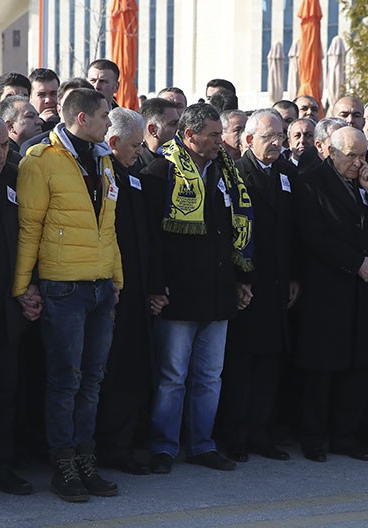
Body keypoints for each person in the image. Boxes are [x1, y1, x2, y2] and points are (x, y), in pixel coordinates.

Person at [13, 88, 122, 502]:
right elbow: (30, 227)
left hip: (99, 287)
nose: (108, 124)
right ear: (81, 119)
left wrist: (117, 279)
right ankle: (63, 463)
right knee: (65, 380)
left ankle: (84, 458)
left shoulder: (104, 160)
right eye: (103, 117)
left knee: (92, 379)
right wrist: (23, 287)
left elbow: (108, 227)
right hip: (63, 287)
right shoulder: (41, 160)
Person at [141, 103, 254, 475]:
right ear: (189, 136)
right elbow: (151, 241)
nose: (220, 141)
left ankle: (203, 444)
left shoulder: (225, 171)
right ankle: (163, 447)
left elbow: (234, 231)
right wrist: (156, 286)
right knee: (172, 377)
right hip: (179, 294)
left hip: (219, 292)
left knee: (209, 376)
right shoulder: (160, 172)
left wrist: (241, 279)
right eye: (213, 135)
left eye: (221, 134)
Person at [294, 127, 368, 463]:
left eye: (363, 155)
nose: (358, 162)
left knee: (355, 366)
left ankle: (346, 435)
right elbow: (314, 237)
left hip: (362, 292)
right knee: (322, 367)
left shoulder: (365, 180)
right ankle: (314, 437)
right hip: (328, 288)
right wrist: (354, 262)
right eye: (351, 155)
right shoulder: (310, 182)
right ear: (330, 152)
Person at [221, 109, 298, 462]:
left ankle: (262, 433)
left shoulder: (286, 173)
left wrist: (295, 275)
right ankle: (236, 436)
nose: (278, 142)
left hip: (279, 282)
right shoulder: (236, 174)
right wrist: (240, 279)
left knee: (269, 362)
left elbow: (294, 230)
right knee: (242, 364)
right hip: (248, 284)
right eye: (270, 137)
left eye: (280, 136)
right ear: (248, 140)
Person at [95, 107, 152, 475]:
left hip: (137, 290)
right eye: (135, 145)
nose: (140, 151)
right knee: (110, 375)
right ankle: (108, 448)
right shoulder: (100, 176)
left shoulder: (134, 175)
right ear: (113, 142)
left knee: (133, 370)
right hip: (109, 288)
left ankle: (126, 443)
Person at [0, 115, 37, 496]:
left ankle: (2, 467)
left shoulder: (13, 177)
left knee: (5, 391)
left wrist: (28, 289)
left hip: (6, 310)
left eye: (3, 146)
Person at [20, 78, 95, 156]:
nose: (78, 112)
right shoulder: (34, 150)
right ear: (59, 109)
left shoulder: (103, 150)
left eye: (84, 105)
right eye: (70, 104)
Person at [135, 97, 180, 171]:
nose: (178, 129)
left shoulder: (180, 161)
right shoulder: (134, 163)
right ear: (153, 130)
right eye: (173, 124)